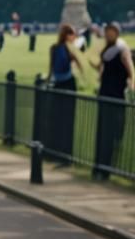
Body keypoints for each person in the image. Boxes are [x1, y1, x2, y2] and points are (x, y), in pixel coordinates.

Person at [91, 21, 134, 179]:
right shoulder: (106, 50)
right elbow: (103, 69)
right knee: (102, 134)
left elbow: (130, 70)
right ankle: (99, 168)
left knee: (112, 134)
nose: (109, 34)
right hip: (105, 94)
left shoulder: (122, 50)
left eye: (111, 31)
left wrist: (132, 85)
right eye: (107, 31)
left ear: (117, 33)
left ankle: (106, 169)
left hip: (115, 96)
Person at [46, 23, 83, 165]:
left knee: (63, 119)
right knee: (61, 120)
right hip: (64, 83)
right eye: (72, 34)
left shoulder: (61, 49)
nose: (74, 37)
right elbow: (53, 66)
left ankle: (63, 154)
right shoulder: (63, 49)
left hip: (64, 82)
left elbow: (80, 64)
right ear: (67, 35)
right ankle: (59, 153)